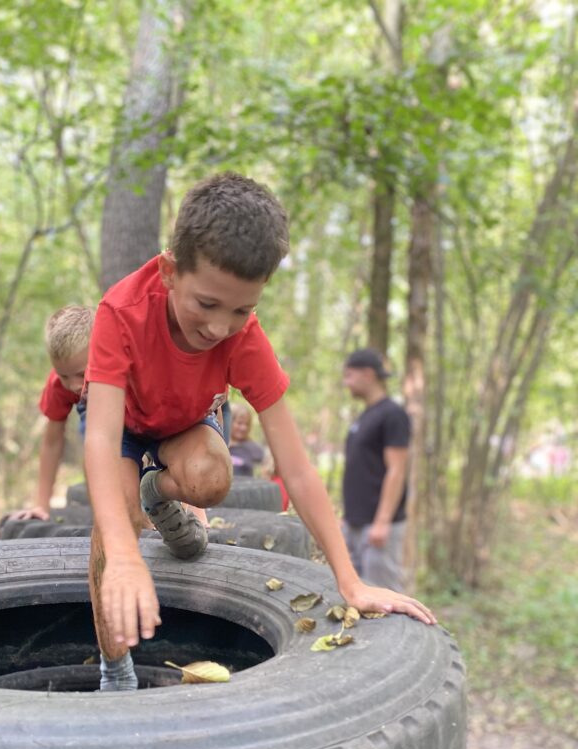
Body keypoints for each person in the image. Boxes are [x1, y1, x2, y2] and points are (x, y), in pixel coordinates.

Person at [84, 172, 435, 692]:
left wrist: (350, 580)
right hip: (123, 430)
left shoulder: (242, 338)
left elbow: (296, 466)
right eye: (207, 304)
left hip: (183, 429)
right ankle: (116, 674)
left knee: (212, 478)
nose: (219, 327)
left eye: (241, 309)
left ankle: (156, 490)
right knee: (114, 529)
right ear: (170, 272)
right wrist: (124, 552)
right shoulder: (122, 311)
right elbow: (99, 437)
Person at [7, 305, 93, 522]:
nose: (73, 385)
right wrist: (42, 505)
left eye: (81, 374)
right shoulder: (58, 385)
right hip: (93, 418)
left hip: (131, 413)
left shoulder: (128, 365)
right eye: (64, 375)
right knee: (93, 453)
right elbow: (52, 443)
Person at [341, 347, 411, 591]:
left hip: (377, 527)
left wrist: (382, 522)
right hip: (356, 523)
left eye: (349, 375)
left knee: (384, 596)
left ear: (368, 374)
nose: (346, 382)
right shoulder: (366, 416)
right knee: (357, 594)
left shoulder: (393, 414)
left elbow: (397, 470)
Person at [228, 402, 265, 477]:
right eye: (240, 423)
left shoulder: (253, 448)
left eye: (247, 424)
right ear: (229, 422)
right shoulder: (220, 445)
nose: (244, 428)